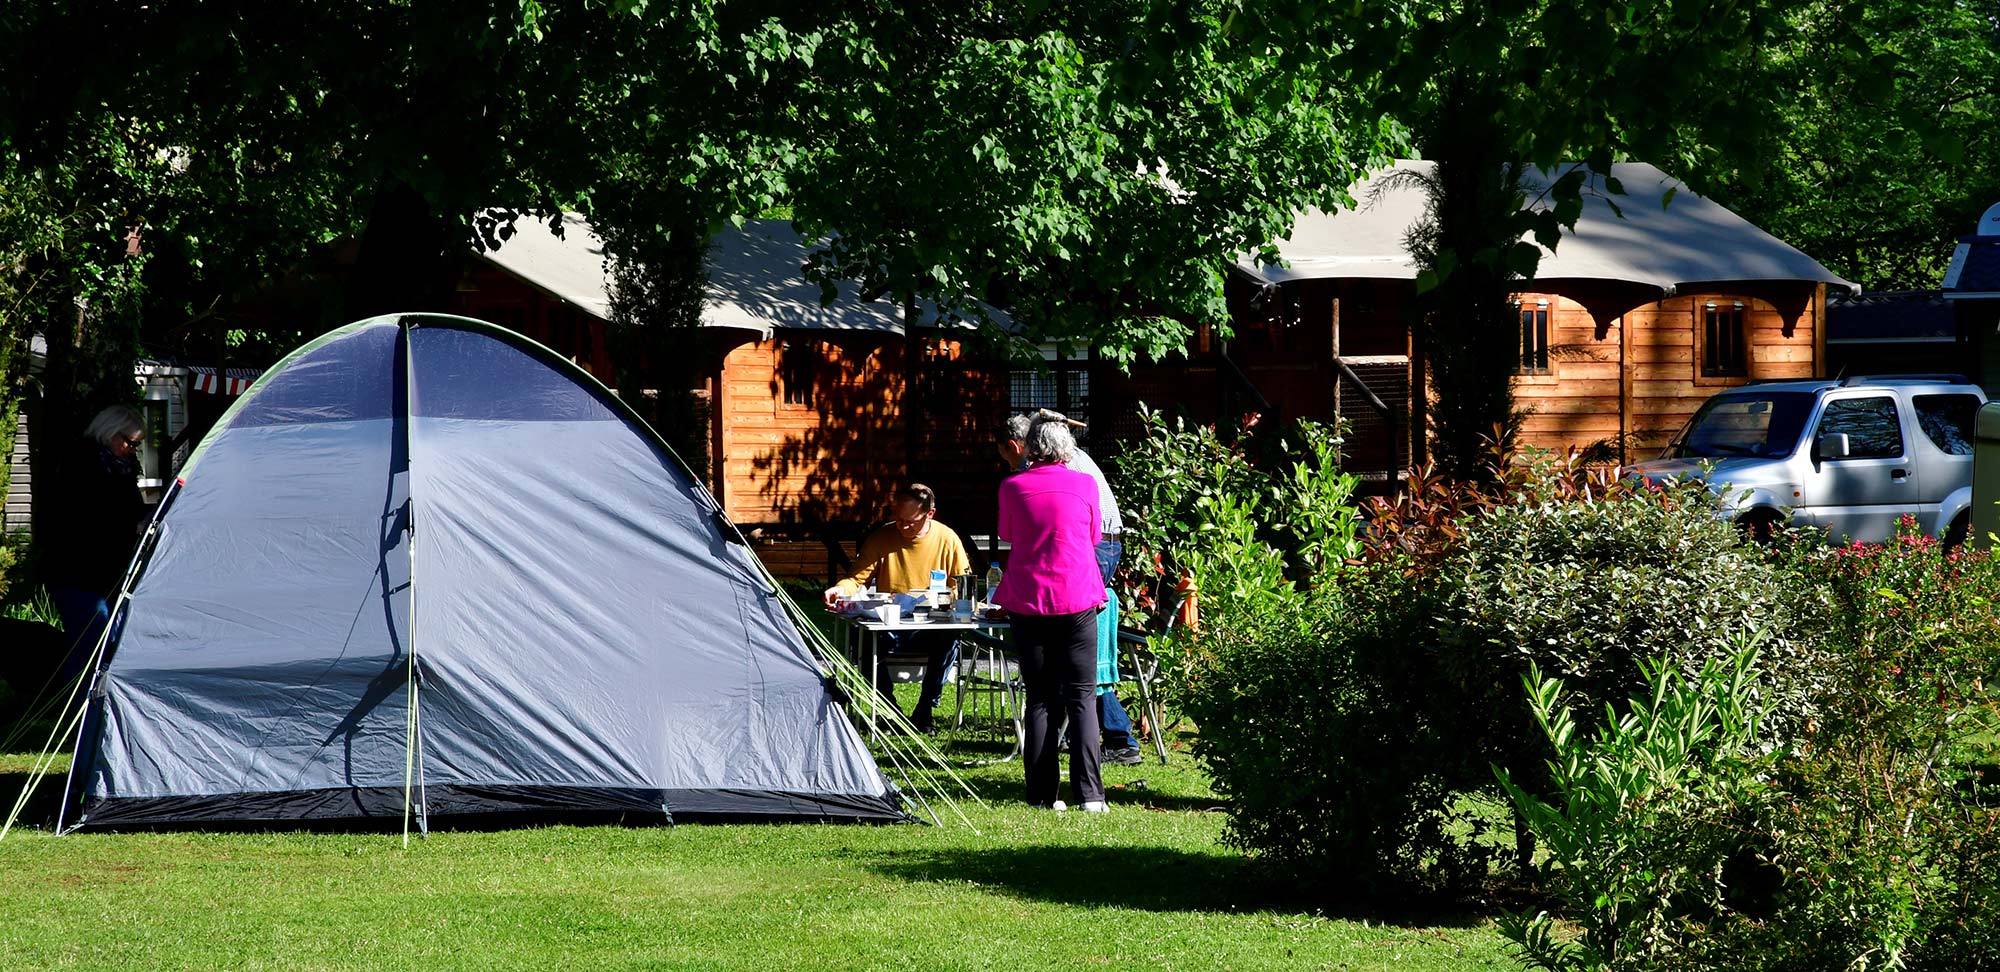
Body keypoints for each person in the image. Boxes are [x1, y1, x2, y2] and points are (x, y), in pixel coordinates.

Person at [998, 411, 1143, 766]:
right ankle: (1086, 734)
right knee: (1073, 653)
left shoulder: (1051, 474)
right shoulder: (1068, 458)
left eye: (1009, 455)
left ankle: (1113, 735)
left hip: (1092, 548)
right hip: (1098, 544)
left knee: (1074, 656)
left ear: (1023, 446)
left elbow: (1038, 532)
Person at [994, 419, 1108, 812]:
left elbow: (1008, 533)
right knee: (1082, 696)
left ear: (1029, 449)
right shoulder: (1086, 485)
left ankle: (1043, 795)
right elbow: (1093, 536)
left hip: (1028, 599)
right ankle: (1091, 795)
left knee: (1040, 697)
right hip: (1078, 596)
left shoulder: (1011, 487)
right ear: (1067, 450)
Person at [823, 483, 971, 733]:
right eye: (898, 519)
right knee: (863, 640)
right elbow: (856, 579)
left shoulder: (948, 539)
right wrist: (839, 589)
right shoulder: (883, 537)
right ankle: (890, 710)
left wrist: (941, 597)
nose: (902, 526)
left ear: (929, 514)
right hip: (890, 624)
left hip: (930, 625)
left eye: (910, 521)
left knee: (949, 638)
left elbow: (963, 586)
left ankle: (925, 709)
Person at [42, 405, 149, 684]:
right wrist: (130, 526)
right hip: (77, 574)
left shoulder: (120, 467)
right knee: (90, 648)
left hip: (105, 574)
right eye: (131, 442)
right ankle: (77, 711)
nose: (133, 449)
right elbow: (84, 519)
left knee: (106, 645)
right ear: (111, 432)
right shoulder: (80, 463)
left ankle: (91, 710)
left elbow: (128, 510)